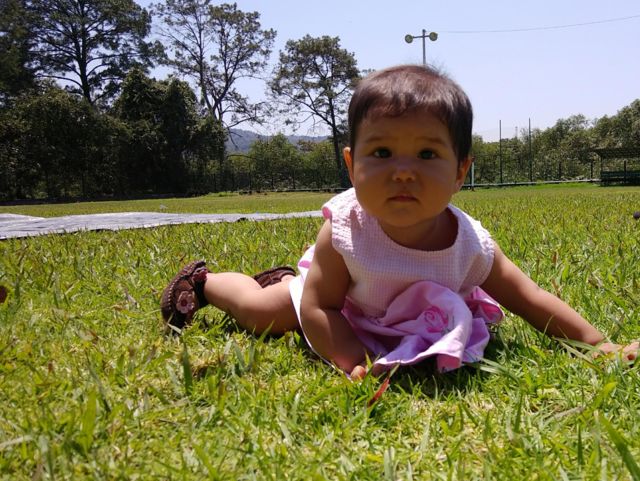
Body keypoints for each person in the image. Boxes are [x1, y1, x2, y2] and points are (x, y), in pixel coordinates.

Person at [160, 64, 638, 380]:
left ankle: (275, 280)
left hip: (409, 317)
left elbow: (529, 298)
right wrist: (352, 360)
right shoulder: (346, 230)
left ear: (460, 172)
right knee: (266, 314)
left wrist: (598, 345)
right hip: (343, 306)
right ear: (352, 166)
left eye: (427, 154)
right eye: (383, 152)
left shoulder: (469, 245)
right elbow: (321, 306)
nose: (403, 171)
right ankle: (205, 283)